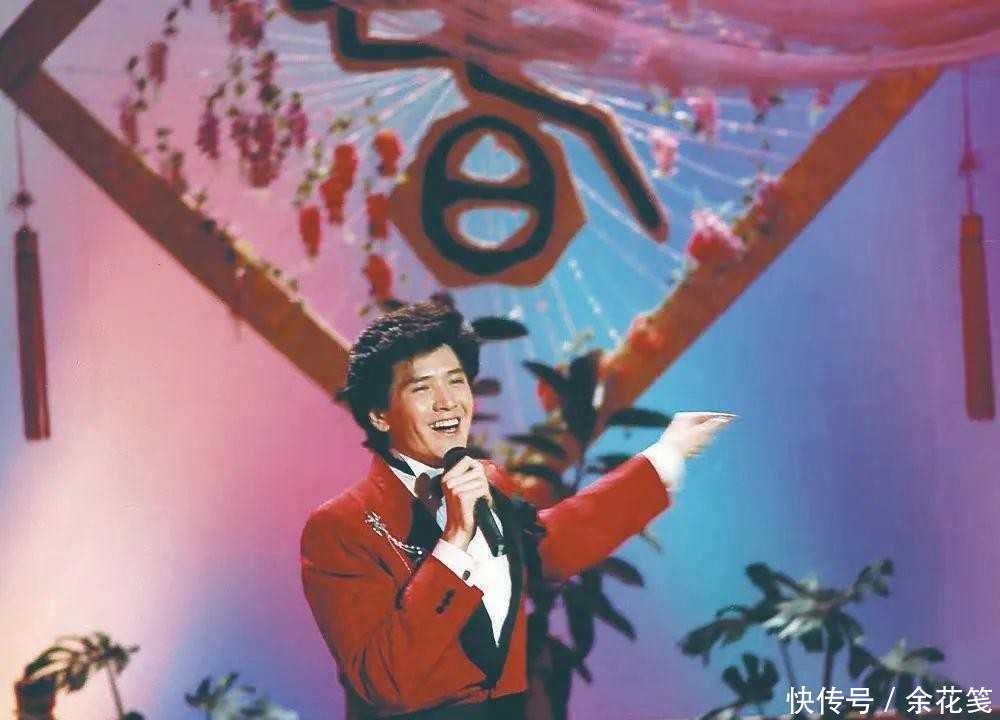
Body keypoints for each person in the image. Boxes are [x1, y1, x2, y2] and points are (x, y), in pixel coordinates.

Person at [301, 302, 733, 720]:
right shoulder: (340, 527)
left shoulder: (488, 482)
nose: (448, 401)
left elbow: (551, 545)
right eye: (422, 388)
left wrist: (667, 455)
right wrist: (454, 541)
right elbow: (385, 680)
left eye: (456, 381)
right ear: (379, 415)